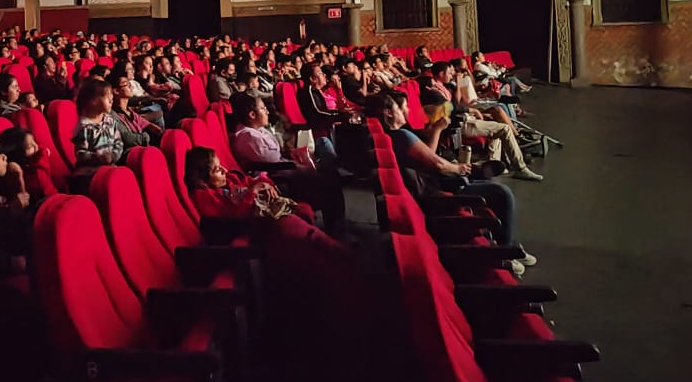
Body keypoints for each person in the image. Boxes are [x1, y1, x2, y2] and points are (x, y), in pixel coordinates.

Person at [370, 91, 534, 273]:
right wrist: (457, 168)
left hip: (428, 187)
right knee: (502, 194)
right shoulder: (401, 136)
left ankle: (476, 174)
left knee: (473, 178)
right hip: (434, 195)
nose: (407, 109)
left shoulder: (397, 136)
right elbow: (436, 163)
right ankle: (504, 251)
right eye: (402, 107)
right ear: (389, 113)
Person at [229, 91, 346, 235]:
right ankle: (337, 232)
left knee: (329, 174)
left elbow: (276, 152)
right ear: (252, 115)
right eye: (262, 108)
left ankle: (335, 228)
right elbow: (272, 159)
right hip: (277, 180)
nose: (267, 111)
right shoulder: (248, 136)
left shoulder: (257, 130)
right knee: (329, 181)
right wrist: (295, 163)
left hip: (282, 171)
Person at [70, 78, 125, 184]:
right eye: (107, 98)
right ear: (93, 101)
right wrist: (97, 158)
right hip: (89, 172)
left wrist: (113, 156)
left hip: (109, 167)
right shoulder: (84, 127)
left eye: (112, 98)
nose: (111, 100)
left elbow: (119, 143)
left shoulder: (110, 121)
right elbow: (80, 153)